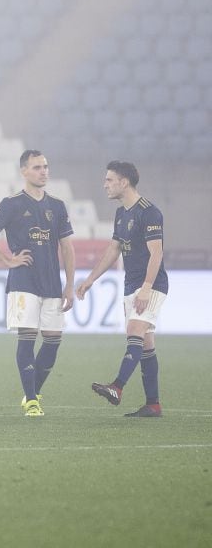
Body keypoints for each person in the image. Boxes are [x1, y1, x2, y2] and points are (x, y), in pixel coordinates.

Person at [0, 150, 74, 418]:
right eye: (37, 167)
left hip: (52, 283)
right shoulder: (12, 204)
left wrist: (69, 285)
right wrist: (7, 260)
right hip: (24, 282)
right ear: (24, 171)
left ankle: (32, 392)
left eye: (45, 166)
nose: (44, 171)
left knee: (53, 341)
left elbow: (67, 248)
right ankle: (31, 400)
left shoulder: (57, 206)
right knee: (27, 337)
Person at [78, 161, 168, 417]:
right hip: (131, 284)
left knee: (134, 330)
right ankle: (153, 404)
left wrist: (146, 288)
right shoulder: (121, 213)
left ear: (124, 182)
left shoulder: (149, 212)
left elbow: (157, 253)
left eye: (109, 180)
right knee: (146, 344)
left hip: (151, 284)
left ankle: (117, 387)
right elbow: (114, 249)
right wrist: (91, 279)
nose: (104, 184)